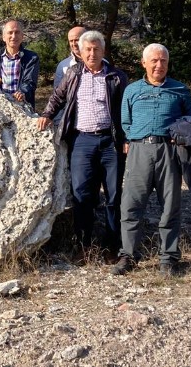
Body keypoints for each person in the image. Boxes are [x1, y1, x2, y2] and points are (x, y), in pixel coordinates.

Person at [37, 30, 128, 251]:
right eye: (88, 49)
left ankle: (113, 247)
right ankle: (83, 246)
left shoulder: (117, 77)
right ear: (81, 51)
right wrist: (47, 114)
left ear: (103, 51)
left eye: (96, 49)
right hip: (82, 142)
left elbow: (126, 110)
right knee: (81, 194)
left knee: (114, 195)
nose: (92, 53)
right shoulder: (74, 74)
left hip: (110, 141)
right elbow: (58, 96)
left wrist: (126, 138)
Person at [112, 43, 191, 277]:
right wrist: (133, 140)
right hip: (139, 151)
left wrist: (180, 138)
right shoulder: (132, 90)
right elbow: (125, 121)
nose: (159, 65)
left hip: (169, 152)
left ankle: (168, 258)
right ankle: (128, 255)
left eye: (163, 61)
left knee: (170, 206)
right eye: (154, 61)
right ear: (144, 63)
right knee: (130, 204)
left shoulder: (180, 89)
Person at [0, 18, 40, 108]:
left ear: (22, 36)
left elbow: (30, 82)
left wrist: (22, 92)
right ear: (3, 37)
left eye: (17, 32)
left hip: (22, 106)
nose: (14, 36)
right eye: (10, 33)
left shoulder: (31, 58)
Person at [54, 25, 86, 90]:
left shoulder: (101, 63)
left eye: (77, 40)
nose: (74, 44)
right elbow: (57, 93)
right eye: (71, 41)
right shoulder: (63, 65)